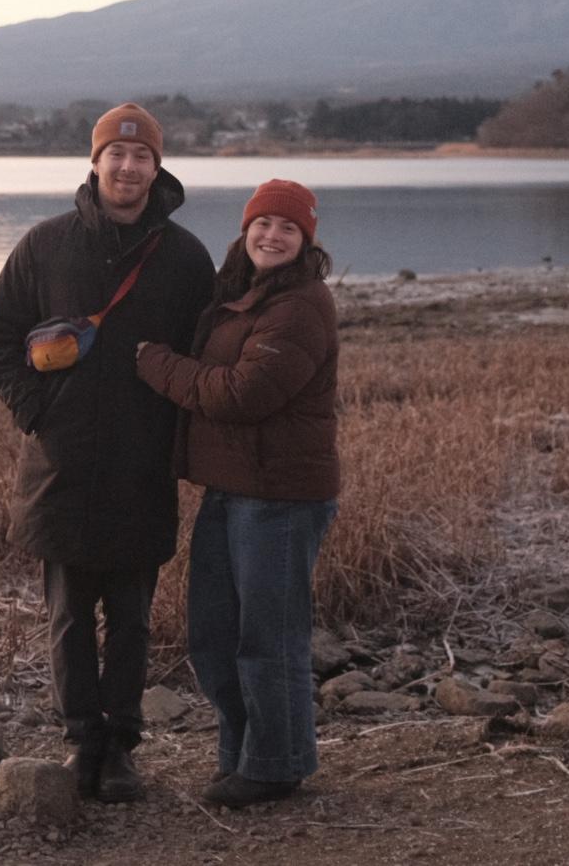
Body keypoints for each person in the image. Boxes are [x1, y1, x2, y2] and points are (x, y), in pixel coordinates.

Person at [0, 103, 214, 802]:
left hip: (143, 468)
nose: (128, 167)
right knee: (70, 618)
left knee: (134, 621)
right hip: (63, 468)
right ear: (96, 161)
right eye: (117, 154)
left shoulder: (185, 258)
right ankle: (82, 740)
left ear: (157, 168)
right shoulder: (45, 245)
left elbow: (206, 356)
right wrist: (37, 411)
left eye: (142, 157)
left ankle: (121, 749)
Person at [135, 178, 339, 809]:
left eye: (288, 228)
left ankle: (275, 765)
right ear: (246, 229)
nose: (272, 236)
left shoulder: (300, 306)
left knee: (268, 638)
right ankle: (242, 756)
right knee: (214, 635)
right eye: (263, 224)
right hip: (232, 488)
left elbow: (241, 394)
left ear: (305, 240)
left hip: (279, 495)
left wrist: (154, 363)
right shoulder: (245, 291)